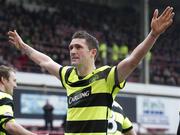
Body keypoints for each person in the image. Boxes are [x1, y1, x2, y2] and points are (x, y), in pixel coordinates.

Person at [7, 6, 174, 135]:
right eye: (71, 47)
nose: (72, 51)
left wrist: (153, 34)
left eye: (78, 47)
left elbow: (132, 61)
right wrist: (23, 46)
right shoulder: (68, 76)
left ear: (92, 52)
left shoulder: (106, 77)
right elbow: (45, 61)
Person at [0, 65, 42, 135]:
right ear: (3, 80)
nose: (15, 85)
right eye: (14, 81)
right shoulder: (4, 97)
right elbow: (10, 126)